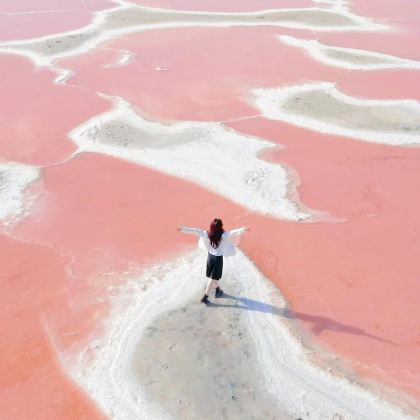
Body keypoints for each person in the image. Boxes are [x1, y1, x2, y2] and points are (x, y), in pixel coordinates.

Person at [177, 218, 249, 304]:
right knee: (212, 278)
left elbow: (195, 231)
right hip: (217, 259)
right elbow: (233, 233)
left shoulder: (207, 234)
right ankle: (205, 297)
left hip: (210, 258)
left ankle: (218, 290)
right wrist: (243, 229)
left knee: (214, 277)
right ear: (221, 226)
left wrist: (182, 229)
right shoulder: (224, 235)